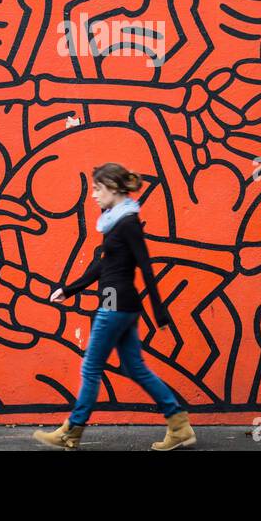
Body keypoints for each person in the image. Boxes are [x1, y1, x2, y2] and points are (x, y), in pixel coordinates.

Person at [32, 163, 196, 450]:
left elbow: (145, 265)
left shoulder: (128, 223)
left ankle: (72, 431)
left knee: (91, 367)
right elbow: (103, 264)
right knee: (135, 368)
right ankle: (179, 425)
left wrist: (159, 310)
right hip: (122, 304)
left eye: (97, 189)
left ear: (113, 189)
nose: (93, 195)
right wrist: (69, 290)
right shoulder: (114, 221)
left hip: (115, 304)